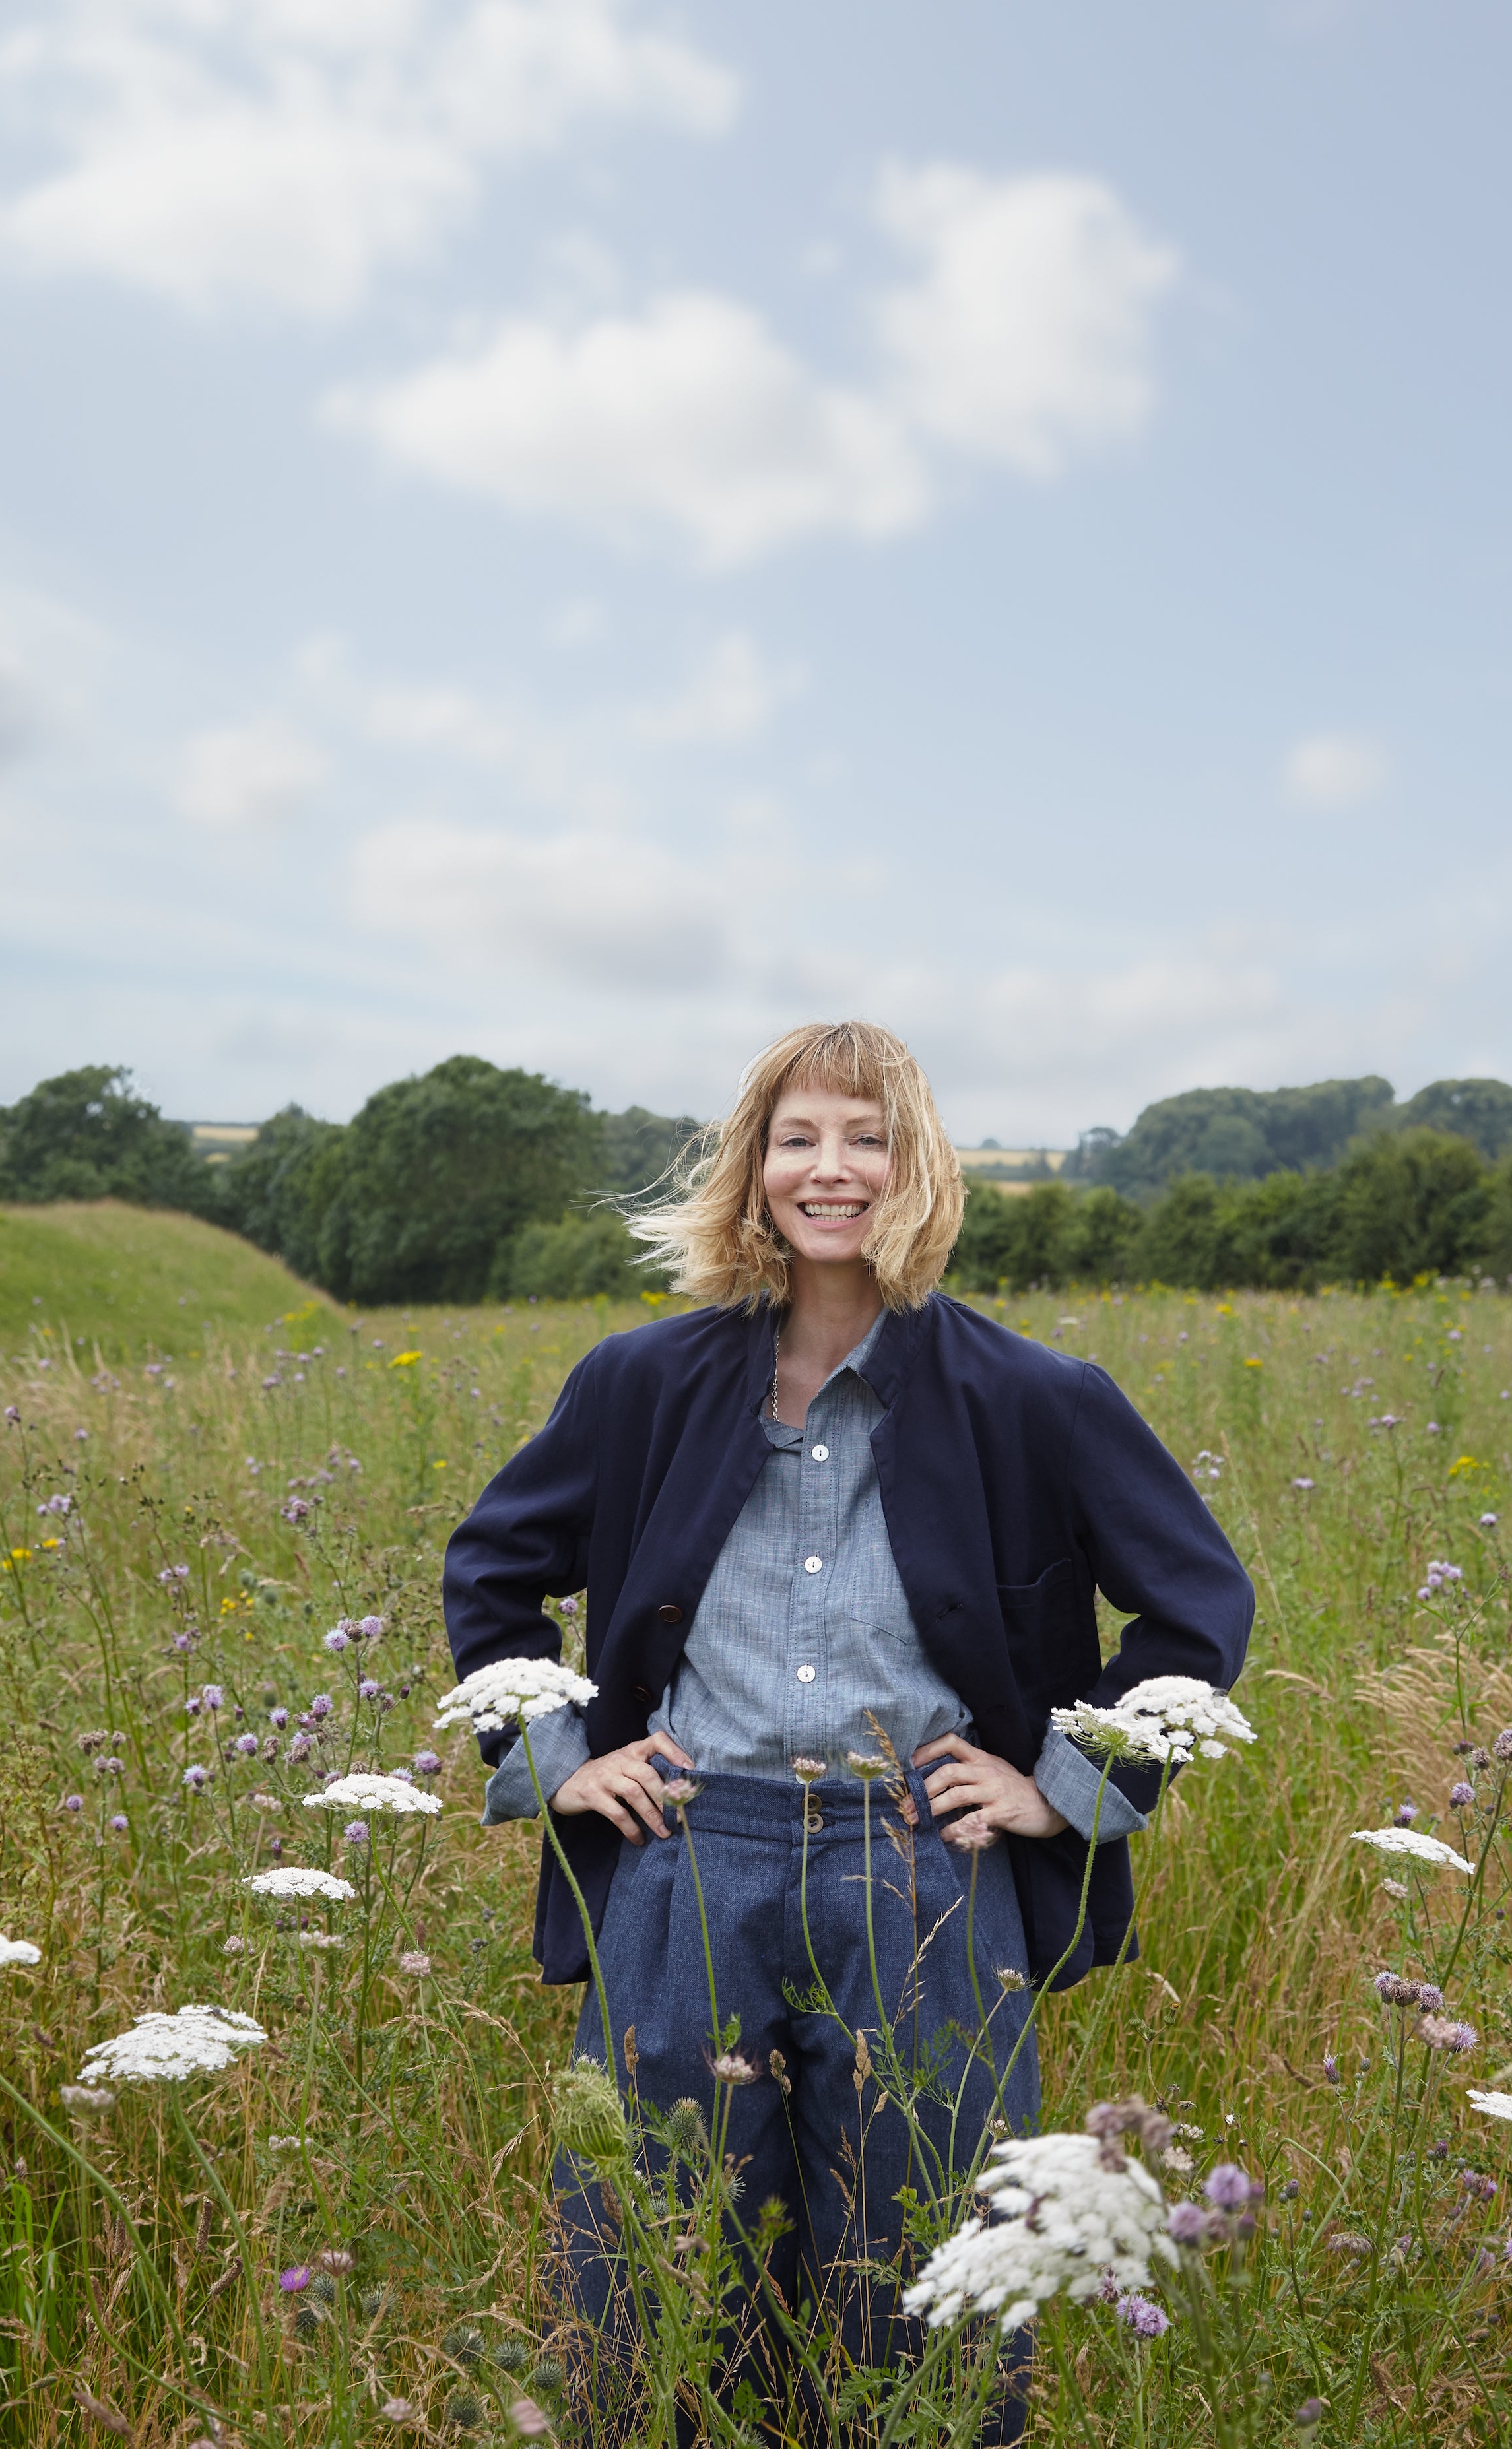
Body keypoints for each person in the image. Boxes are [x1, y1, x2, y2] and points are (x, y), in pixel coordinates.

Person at [443, 1019, 1253, 2433]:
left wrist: (1062, 1787)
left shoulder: (1033, 1397)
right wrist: (563, 1766)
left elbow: (1196, 1608)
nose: (832, 1171)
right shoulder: (641, 1382)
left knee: (931, 2277)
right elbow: (493, 1572)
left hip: (926, 1873)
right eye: (798, 1138)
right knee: (655, 2273)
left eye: (865, 1139)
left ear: (918, 1165)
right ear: (754, 1166)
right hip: (691, 1861)